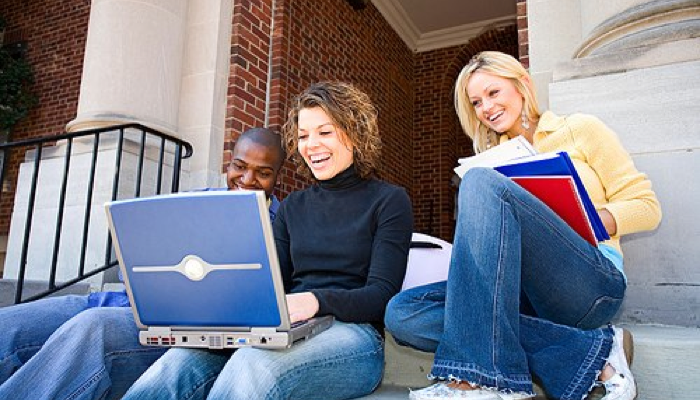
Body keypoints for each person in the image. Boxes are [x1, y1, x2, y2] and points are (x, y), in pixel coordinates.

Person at [384, 51, 662, 400]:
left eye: (493, 92)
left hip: (588, 285)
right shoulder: (492, 162)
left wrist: (581, 221)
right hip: (519, 290)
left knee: (481, 181)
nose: (486, 107)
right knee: (404, 312)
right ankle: (593, 351)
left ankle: (478, 379)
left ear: (522, 85)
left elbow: (647, 207)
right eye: (476, 102)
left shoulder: (579, 129)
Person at [121, 81, 414, 400]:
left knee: (253, 365)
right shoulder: (292, 207)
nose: (311, 145)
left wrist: (314, 300)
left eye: (324, 132)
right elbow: (268, 283)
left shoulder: (389, 201)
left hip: (355, 336)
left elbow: (382, 295)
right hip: (286, 327)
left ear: (355, 134)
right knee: (176, 364)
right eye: (303, 136)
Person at [0, 127, 286, 400]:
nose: (247, 179)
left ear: (277, 176)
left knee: (93, 327)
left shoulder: (283, 227)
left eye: (263, 173)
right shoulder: (194, 201)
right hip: (117, 301)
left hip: (170, 325)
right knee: (8, 326)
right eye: (239, 166)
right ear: (229, 162)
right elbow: (137, 263)